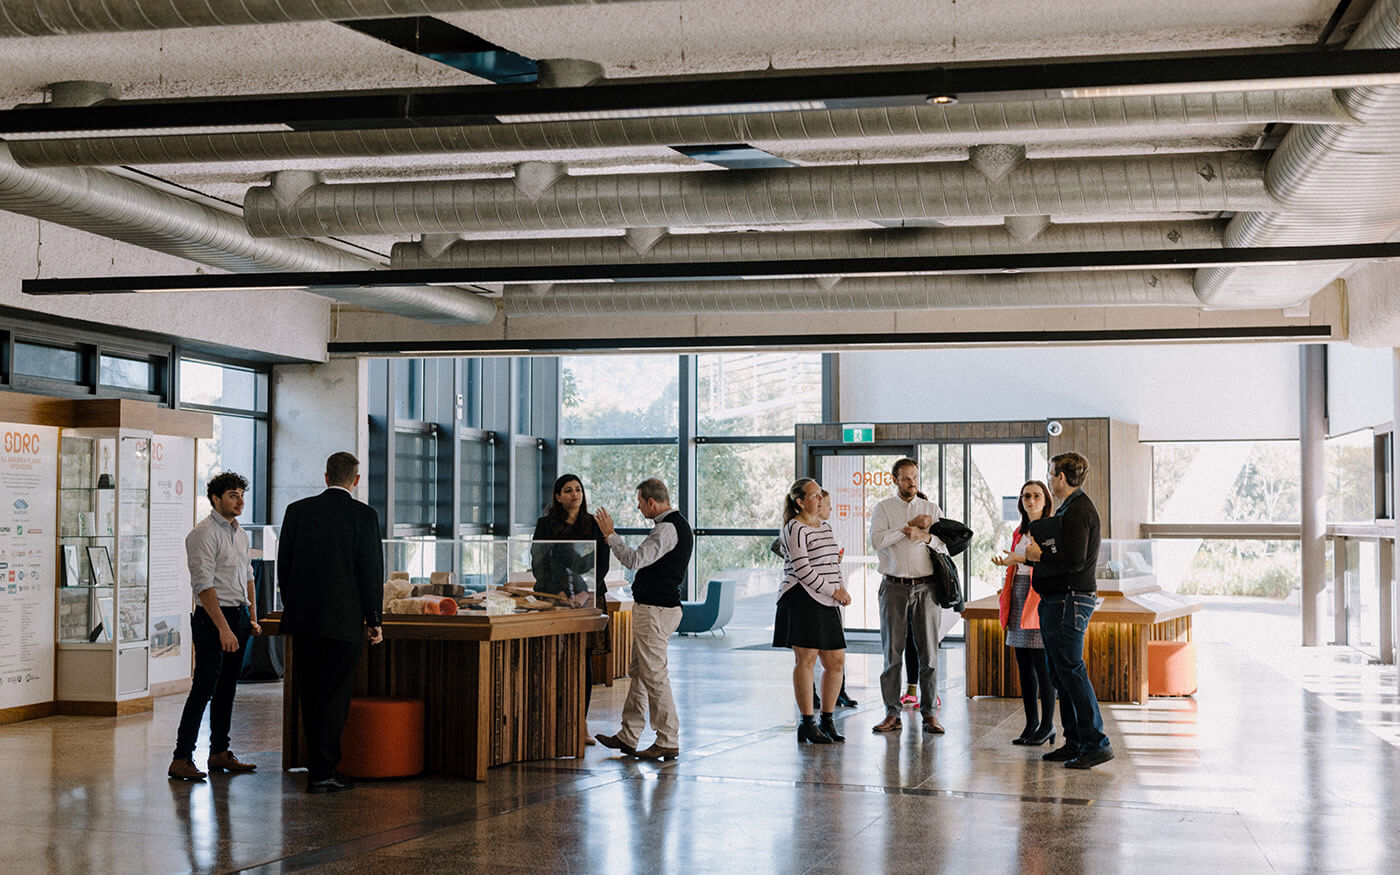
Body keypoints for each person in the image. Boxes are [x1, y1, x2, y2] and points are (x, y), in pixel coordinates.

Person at [277, 452, 385, 793]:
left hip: (305, 620)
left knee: (310, 694)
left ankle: (316, 768)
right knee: (336, 696)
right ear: (356, 480)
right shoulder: (363, 516)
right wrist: (374, 619)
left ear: (325, 477)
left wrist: (293, 605)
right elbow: (370, 571)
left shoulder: (298, 511)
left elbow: (285, 567)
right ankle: (324, 771)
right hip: (343, 621)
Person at [1024, 451, 1114, 769]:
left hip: (1070, 599)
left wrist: (1038, 557)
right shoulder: (1069, 508)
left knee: (1071, 670)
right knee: (1060, 672)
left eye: (1050, 475)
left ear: (1062, 477)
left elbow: (1074, 560)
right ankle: (1075, 741)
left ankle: (1096, 742)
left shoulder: (1078, 511)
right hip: (1060, 599)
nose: (1049, 480)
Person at [168, 471, 260, 781]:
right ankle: (181, 757)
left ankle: (220, 751)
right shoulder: (203, 534)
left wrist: (253, 617)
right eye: (232, 495)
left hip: (238, 616)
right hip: (213, 618)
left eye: (241, 495)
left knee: (227, 690)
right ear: (215, 499)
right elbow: (204, 586)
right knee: (204, 687)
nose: (239, 501)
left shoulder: (239, 533)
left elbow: (248, 576)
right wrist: (223, 628)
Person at [593, 478, 692, 761]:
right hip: (658, 609)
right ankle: (628, 735)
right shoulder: (673, 526)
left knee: (655, 676)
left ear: (652, 501)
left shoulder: (667, 529)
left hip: (656, 610)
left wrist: (610, 535)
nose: (638, 507)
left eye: (640, 502)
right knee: (640, 673)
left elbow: (635, 560)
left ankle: (668, 739)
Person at [531, 474, 611, 746]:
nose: (574, 494)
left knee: (584, 659)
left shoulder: (593, 524)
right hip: (555, 597)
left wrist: (584, 592)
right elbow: (538, 562)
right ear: (557, 496)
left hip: (588, 598)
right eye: (568, 490)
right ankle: (550, 720)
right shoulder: (545, 525)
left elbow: (601, 563)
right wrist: (558, 591)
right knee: (551, 656)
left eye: (578, 489)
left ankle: (581, 723)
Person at [773, 479, 853, 744]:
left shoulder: (825, 526)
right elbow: (803, 570)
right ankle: (807, 723)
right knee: (806, 660)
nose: (821, 499)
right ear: (800, 501)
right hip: (802, 598)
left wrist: (840, 589)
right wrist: (834, 591)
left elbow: (833, 563)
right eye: (816, 495)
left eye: (821, 495)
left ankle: (827, 720)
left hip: (828, 599)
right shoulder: (794, 528)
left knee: (835, 662)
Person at [869, 458, 945, 735]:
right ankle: (891, 713)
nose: (911, 482)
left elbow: (944, 546)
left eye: (914, 477)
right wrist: (906, 528)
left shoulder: (931, 509)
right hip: (894, 587)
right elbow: (876, 541)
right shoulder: (883, 508)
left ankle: (929, 714)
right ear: (894, 480)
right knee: (892, 654)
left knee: (929, 655)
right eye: (905, 478)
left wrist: (925, 536)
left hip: (927, 588)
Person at [992, 479, 1056, 746]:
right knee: (1024, 667)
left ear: (1045, 500)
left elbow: (1049, 563)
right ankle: (1031, 723)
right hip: (1018, 595)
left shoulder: (1051, 529)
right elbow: (1016, 565)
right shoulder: (1019, 531)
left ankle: (1048, 725)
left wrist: (1017, 559)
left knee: (1042, 667)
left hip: (1038, 598)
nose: (1031, 500)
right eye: (1026, 496)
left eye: (1036, 496)